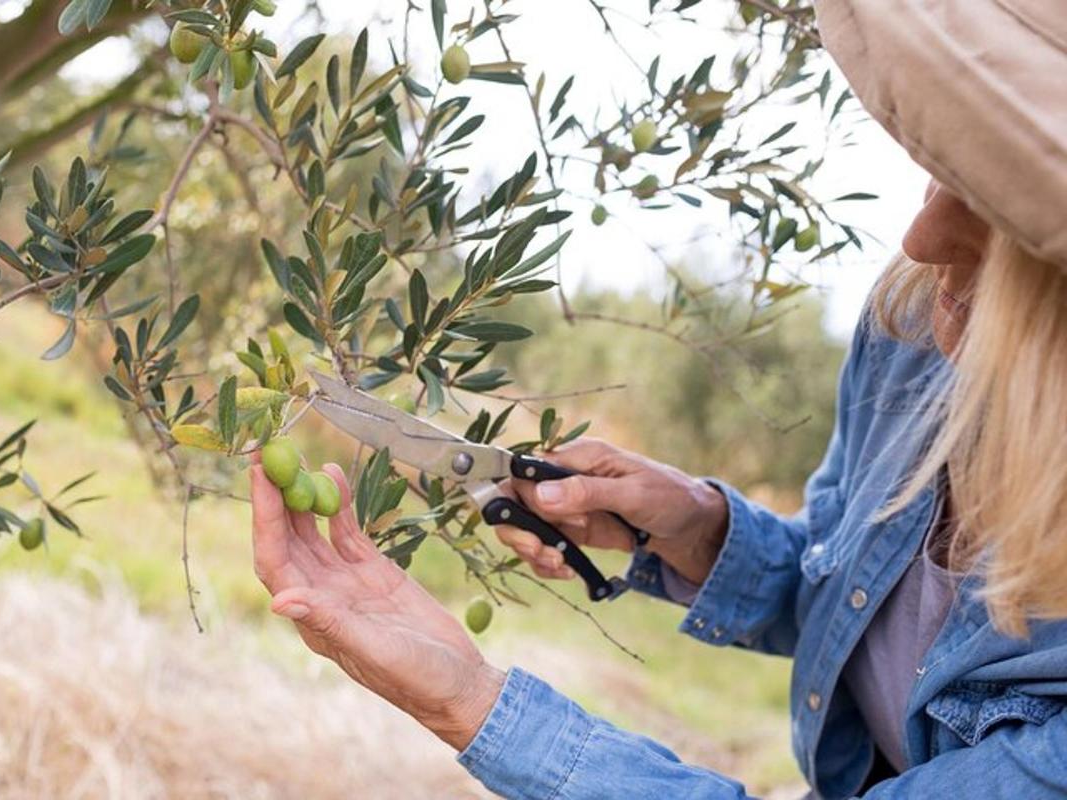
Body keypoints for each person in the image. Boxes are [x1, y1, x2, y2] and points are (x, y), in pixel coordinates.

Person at [248, 0, 1067, 796]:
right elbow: (847, 593)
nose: (922, 237)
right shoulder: (920, 324)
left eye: (1001, 207)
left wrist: (469, 702)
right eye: (949, 163)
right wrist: (698, 531)